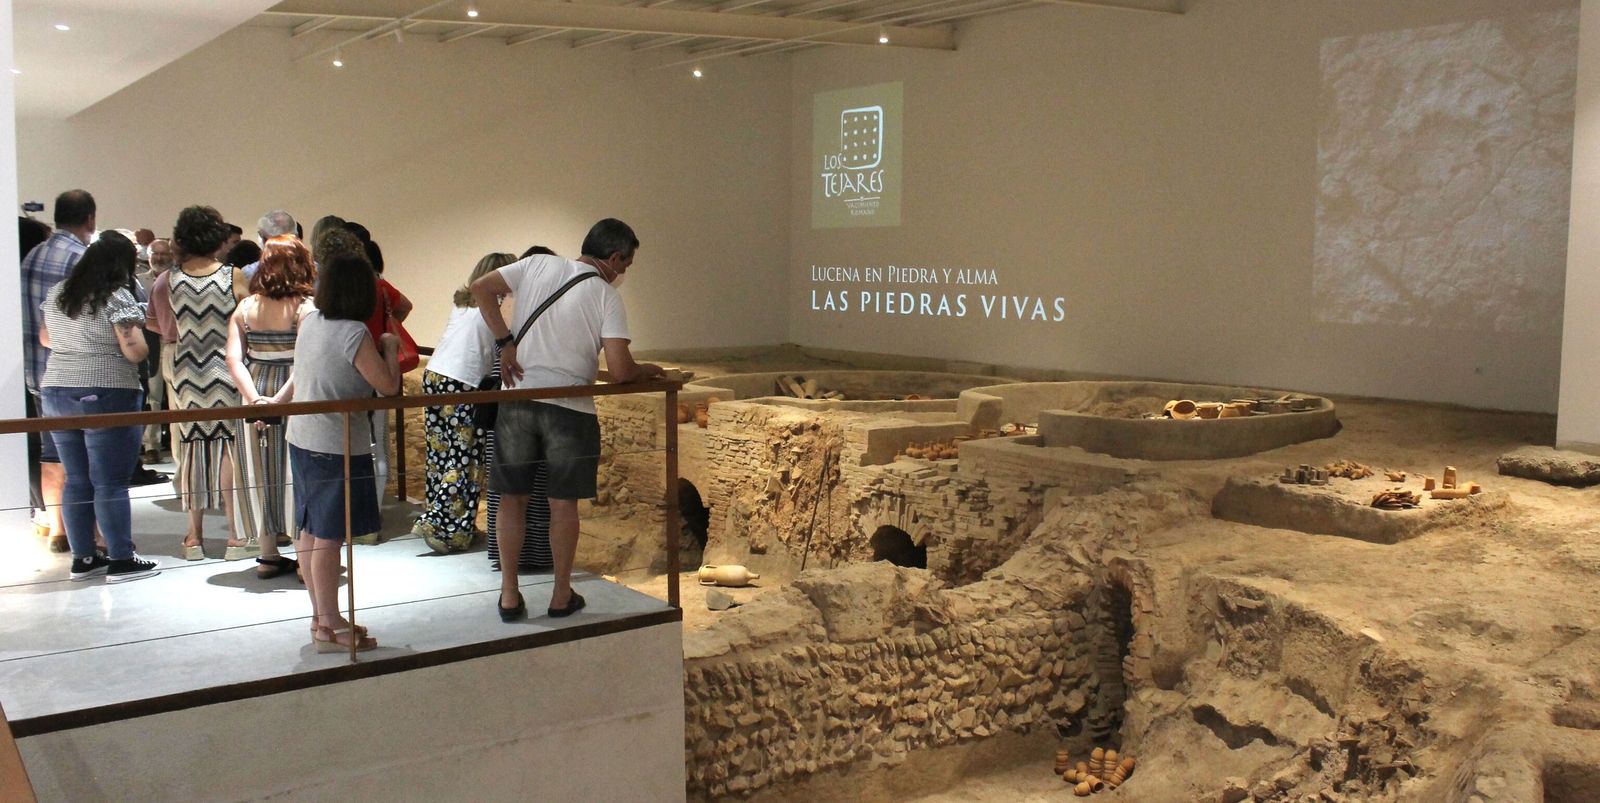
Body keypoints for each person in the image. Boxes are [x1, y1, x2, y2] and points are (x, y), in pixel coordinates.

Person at [471, 219, 662, 621]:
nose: (624, 273)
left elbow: (481, 287)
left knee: (511, 498)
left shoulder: (538, 264)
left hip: (518, 399)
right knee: (562, 505)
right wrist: (649, 371)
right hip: (570, 409)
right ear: (614, 258)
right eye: (626, 265)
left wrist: (505, 342)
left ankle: (509, 595)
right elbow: (621, 370)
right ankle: (561, 595)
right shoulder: (606, 296)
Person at [288, 252, 402, 652]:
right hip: (334, 444)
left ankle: (321, 618)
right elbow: (388, 386)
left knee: (310, 529)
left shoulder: (310, 321)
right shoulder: (354, 332)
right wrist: (390, 346)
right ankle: (332, 622)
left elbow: (301, 375)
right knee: (329, 535)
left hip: (303, 436)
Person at [37, 231, 159, 583]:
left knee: (76, 479)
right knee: (110, 481)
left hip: (57, 391)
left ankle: (84, 557)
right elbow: (134, 350)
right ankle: (121, 558)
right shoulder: (115, 296)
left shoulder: (59, 293)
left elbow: (46, 337)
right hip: (108, 391)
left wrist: (76, 344)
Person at [413, 252, 517, 553]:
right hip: (463, 382)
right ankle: (438, 523)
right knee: (465, 456)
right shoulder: (499, 305)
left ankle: (455, 527)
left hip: (435, 375)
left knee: (440, 454)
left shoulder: (462, 303)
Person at [226, 235, 315, 579]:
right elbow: (305, 362)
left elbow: (233, 359)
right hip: (294, 392)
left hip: (255, 386)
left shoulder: (245, 307)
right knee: (297, 470)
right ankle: (305, 558)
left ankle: (267, 555)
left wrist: (255, 400)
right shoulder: (306, 308)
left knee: (258, 469)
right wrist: (278, 401)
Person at [169, 205, 251, 560]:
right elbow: (248, 319)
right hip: (225, 368)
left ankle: (193, 538)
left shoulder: (173, 277)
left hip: (187, 371)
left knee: (192, 447)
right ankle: (234, 536)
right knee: (228, 448)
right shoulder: (232, 276)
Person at [22, 190, 96, 552]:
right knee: (84, 458)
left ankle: (58, 530)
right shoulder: (81, 259)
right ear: (90, 219)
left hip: (36, 371)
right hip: (74, 372)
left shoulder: (32, 255)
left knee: (50, 452)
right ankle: (90, 534)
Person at [485, 246, 559, 574]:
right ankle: (536, 555)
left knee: (508, 488)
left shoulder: (506, 304)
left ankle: (507, 559)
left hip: (507, 398)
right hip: (528, 396)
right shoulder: (533, 308)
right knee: (533, 484)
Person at [347, 224, 412, 510]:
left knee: (362, 443)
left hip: (355, 366)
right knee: (377, 443)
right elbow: (405, 306)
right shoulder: (380, 286)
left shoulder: (347, 289)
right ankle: (373, 509)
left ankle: (363, 509)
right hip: (379, 361)